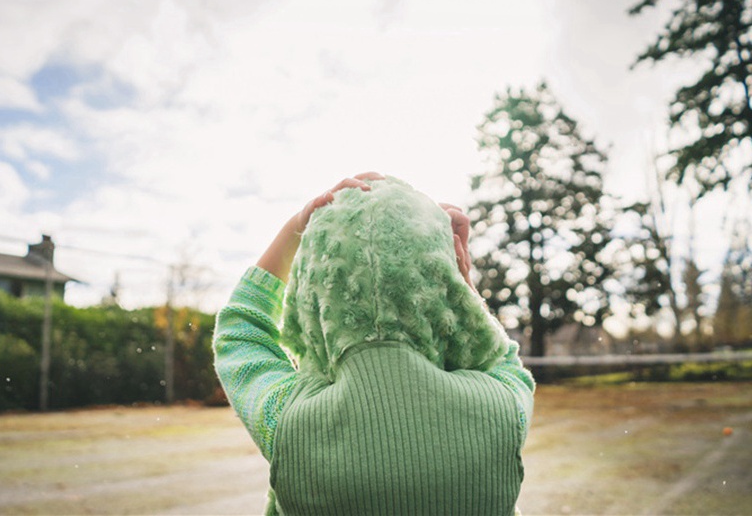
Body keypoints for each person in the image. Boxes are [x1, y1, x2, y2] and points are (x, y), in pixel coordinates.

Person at [213, 173, 535, 516]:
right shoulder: (502, 406)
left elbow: (240, 326)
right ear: (445, 290)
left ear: (312, 292)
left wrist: (297, 226)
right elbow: (497, 355)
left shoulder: (287, 419)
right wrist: (464, 284)